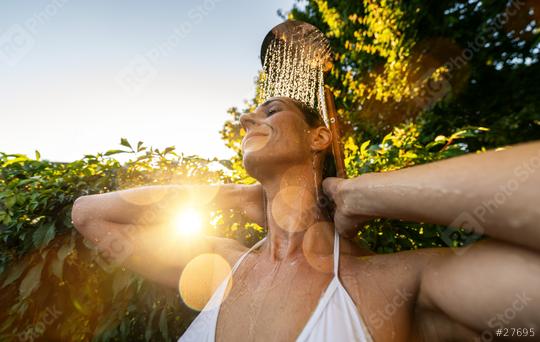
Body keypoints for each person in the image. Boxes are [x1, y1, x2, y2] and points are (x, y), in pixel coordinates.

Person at [71, 96, 540, 341]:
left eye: (270, 110)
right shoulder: (220, 270)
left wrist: (357, 194)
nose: (247, 120)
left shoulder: (396, 285)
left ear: (319, 138)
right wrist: (234, 196)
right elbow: (90, 216)